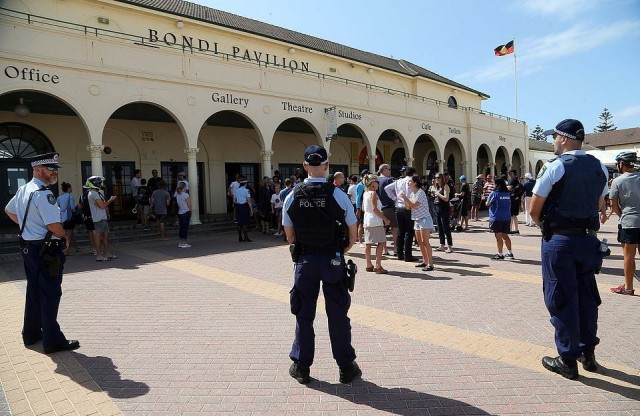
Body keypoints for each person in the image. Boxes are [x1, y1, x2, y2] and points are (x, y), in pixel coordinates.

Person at [529, 119, 609, 380]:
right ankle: (589, 355)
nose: (552, 141)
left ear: (563, 138)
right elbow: (600, 205)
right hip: (589, 241)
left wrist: (551, 230)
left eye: (555, 137)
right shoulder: (599, 167)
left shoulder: (555, 167)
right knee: (587, 298)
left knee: (562, 299)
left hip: (561, 242)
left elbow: (534, 210)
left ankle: (567, 360)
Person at [282, 145, 360, 385]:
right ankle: (346, 367)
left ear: (305, 166)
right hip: (332, 260)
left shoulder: (293, 195)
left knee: (304, 314)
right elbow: (353, 233)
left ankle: (302, 366)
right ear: (327, 166)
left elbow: (290, 237)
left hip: (305, 261)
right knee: (337, 314)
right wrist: (341, 250)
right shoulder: (338, 194)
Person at [4, 152, 80, 354]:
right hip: (47, 249)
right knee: (50, 294)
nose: (54, 172)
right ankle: (53, 341)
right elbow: (54, 225)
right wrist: (64, 237)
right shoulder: (43, 193)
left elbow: (8, 210)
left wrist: (28, 226)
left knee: (34, 292)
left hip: (29, 247)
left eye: (55, 168)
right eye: (50, 168)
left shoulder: (23, 189)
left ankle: (31, 334)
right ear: (37, 170)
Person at [608, 151, 640, 296]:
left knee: (629, 256)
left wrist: (622, 216)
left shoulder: (617, 181)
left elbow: (613, 205)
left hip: (629, 222)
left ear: (621, 164)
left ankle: (628, 287)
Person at [385, 166, 417, 261]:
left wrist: (395, 198)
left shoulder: (398, 181)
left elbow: (387, 188)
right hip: (408, 207)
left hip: (398, 207)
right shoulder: (411, 181)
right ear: (413, 173)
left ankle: (400, 253)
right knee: (409, 231)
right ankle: (408, 254)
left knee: (401, 231)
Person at [402, 175, 434, 271]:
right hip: (416, 219)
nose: (408, 182)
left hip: (424, 218)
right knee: (420, 242)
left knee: (425, 241)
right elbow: (408, 207)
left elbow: (414, 206)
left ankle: (430, 263)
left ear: (415, 182)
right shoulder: (412, 194)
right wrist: (405, 199)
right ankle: (425, 261)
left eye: (410, 181)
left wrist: (405, 198)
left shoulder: (420, 192)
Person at [362, 174, 390, 274]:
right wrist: (385, 219)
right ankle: (378, 265)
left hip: (367, 220)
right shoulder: (373, 193)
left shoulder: (365, 193)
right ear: (373, 183)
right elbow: (374, 208)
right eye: (377, 182)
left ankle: (369, 264)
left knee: (368, 243)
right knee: (381, 242)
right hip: (375, 220)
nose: (378, 184)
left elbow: (364, 208)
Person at [86, 176, 118, 262]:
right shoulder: (93, 193)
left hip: (102, 217)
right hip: (98, 218)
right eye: (99, 183)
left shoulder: (97, 192)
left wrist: (107, 213)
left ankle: (107, 253)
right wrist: (111, 200)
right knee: (98, 236)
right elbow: (102, 205)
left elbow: (103, 205)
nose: (101, 184)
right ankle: (99, 255)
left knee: (105, 236)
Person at [486, 178, 514, 260]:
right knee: (505, 235)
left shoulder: (494, 193)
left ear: (497, 184)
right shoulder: (507, 194)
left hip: (496, 217)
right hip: (507, 216)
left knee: (498, 236)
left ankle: (500, 254)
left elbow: (487, 203)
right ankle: (510, 252)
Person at [377, 164, 397, 256]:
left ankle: (385, 249)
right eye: (388, 169)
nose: (389, 171)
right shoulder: (388, 180)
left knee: (383, 228)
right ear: (384, 170)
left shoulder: (376, 180)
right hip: (389, 206)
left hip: (379, 207)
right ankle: (396, 248)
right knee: (395, 227)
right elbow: (393, 192)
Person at [432, 173, 453, 253]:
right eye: (435, 178)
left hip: (445, 209)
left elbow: (446, 198)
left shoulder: (445, 186)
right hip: (438, 209)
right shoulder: (437, 187)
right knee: (440, 228)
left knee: (446, 228)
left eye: (438, 178)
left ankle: (450, 246)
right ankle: (442, 245)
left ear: (441, 178)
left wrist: (437, 193)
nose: (436, 179)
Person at [57, 182, 79, 255]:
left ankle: (76, 247)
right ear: (68, 188)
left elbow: (57, 207)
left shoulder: (59, 197)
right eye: (71, 187)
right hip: (69, 217)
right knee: (69, 233)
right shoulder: (70, 196)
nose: (72, 189)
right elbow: (72, 208)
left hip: (61, 217)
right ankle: (67, 249)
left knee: (70, 233)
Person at [175, 181, 192, 248]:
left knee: (181, 227)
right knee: (185, 228)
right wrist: (191, 210)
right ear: (184, 187)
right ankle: (184, 242)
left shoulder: (177, 194)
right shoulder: (186, 195)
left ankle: (180, 242)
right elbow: (189, 204)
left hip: (180, 212)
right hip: (186, 212)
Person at [354, 169, 368, 246]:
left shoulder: (368, 184)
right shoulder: (360, 185)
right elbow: (358, 198)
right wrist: (358, 208)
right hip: (362, 207)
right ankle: (360, 241)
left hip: (367, 207)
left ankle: (367, 239)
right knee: (361, 224)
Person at [507, 169, 523, 234]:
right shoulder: (518, 180)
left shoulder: (513, 180)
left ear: (514, 173)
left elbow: (509, 188)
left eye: (511, 173)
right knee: (514, 215)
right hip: (516, 199)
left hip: (512, 199)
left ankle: (510, 229)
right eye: (509, 173)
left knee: (511, 215)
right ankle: (516, 230)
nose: (510, 174)